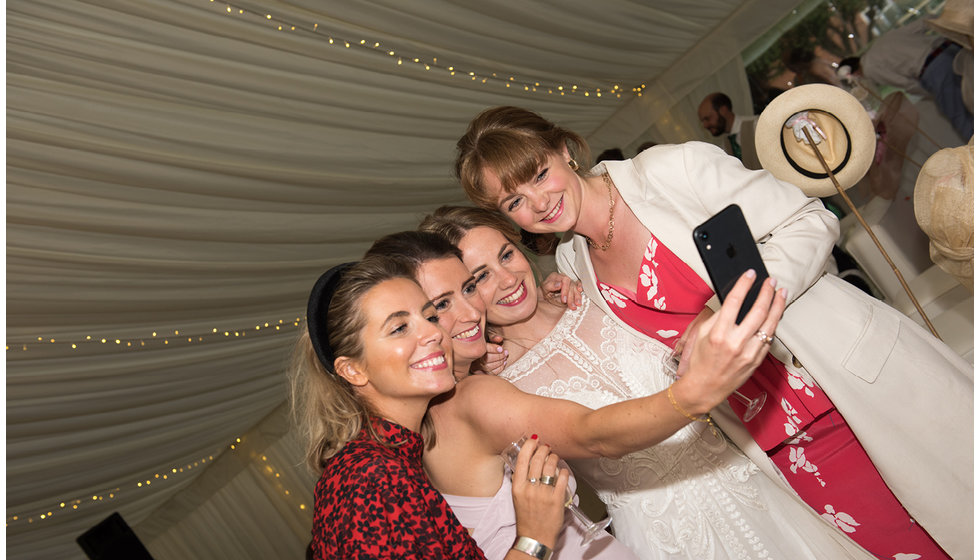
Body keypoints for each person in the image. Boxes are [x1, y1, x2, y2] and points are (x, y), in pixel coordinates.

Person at [454, 106, 973, 560]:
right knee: (902, 547)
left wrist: (728, 308)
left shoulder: (668, 170)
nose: (538, 203)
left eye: (540, 174)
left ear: (565, 150)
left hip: (841, 378)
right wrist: (495, 348)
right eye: (514, 202)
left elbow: (811, 221)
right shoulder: (572, 264)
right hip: (773, 440)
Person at [418, 206, 883, 560]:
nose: (506, 279)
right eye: (478, 278)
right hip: (668, 538)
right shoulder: (495, 384)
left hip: (760, 481)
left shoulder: (590, 289)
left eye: (507, 254)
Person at [363, 229, 784, 559]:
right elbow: (590, 432)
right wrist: (693, 393)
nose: (471, 311)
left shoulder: (433, 410)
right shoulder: (470, 398)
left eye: (469, 288)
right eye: (439, 306)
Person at [290, 256, 569, 559]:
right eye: (399, 328)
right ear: (353, 370)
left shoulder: (394, 461)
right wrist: (534, 538)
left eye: (431, 318)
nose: (434, 333)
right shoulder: (369, 479)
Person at [839, 17, 973, 141]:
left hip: (935, 69)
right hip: (950, 49)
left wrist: (932, 92)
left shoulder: (870, 69)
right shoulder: (882, 41)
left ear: (855, 73)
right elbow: (924, 22)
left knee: (960, 117)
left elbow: (905, 83)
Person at [697, 92, 762, 170]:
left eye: (707, 118)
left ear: (723, 110)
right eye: (702, 121)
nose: (705, 125)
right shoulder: (724, 146)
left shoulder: (757, 125)